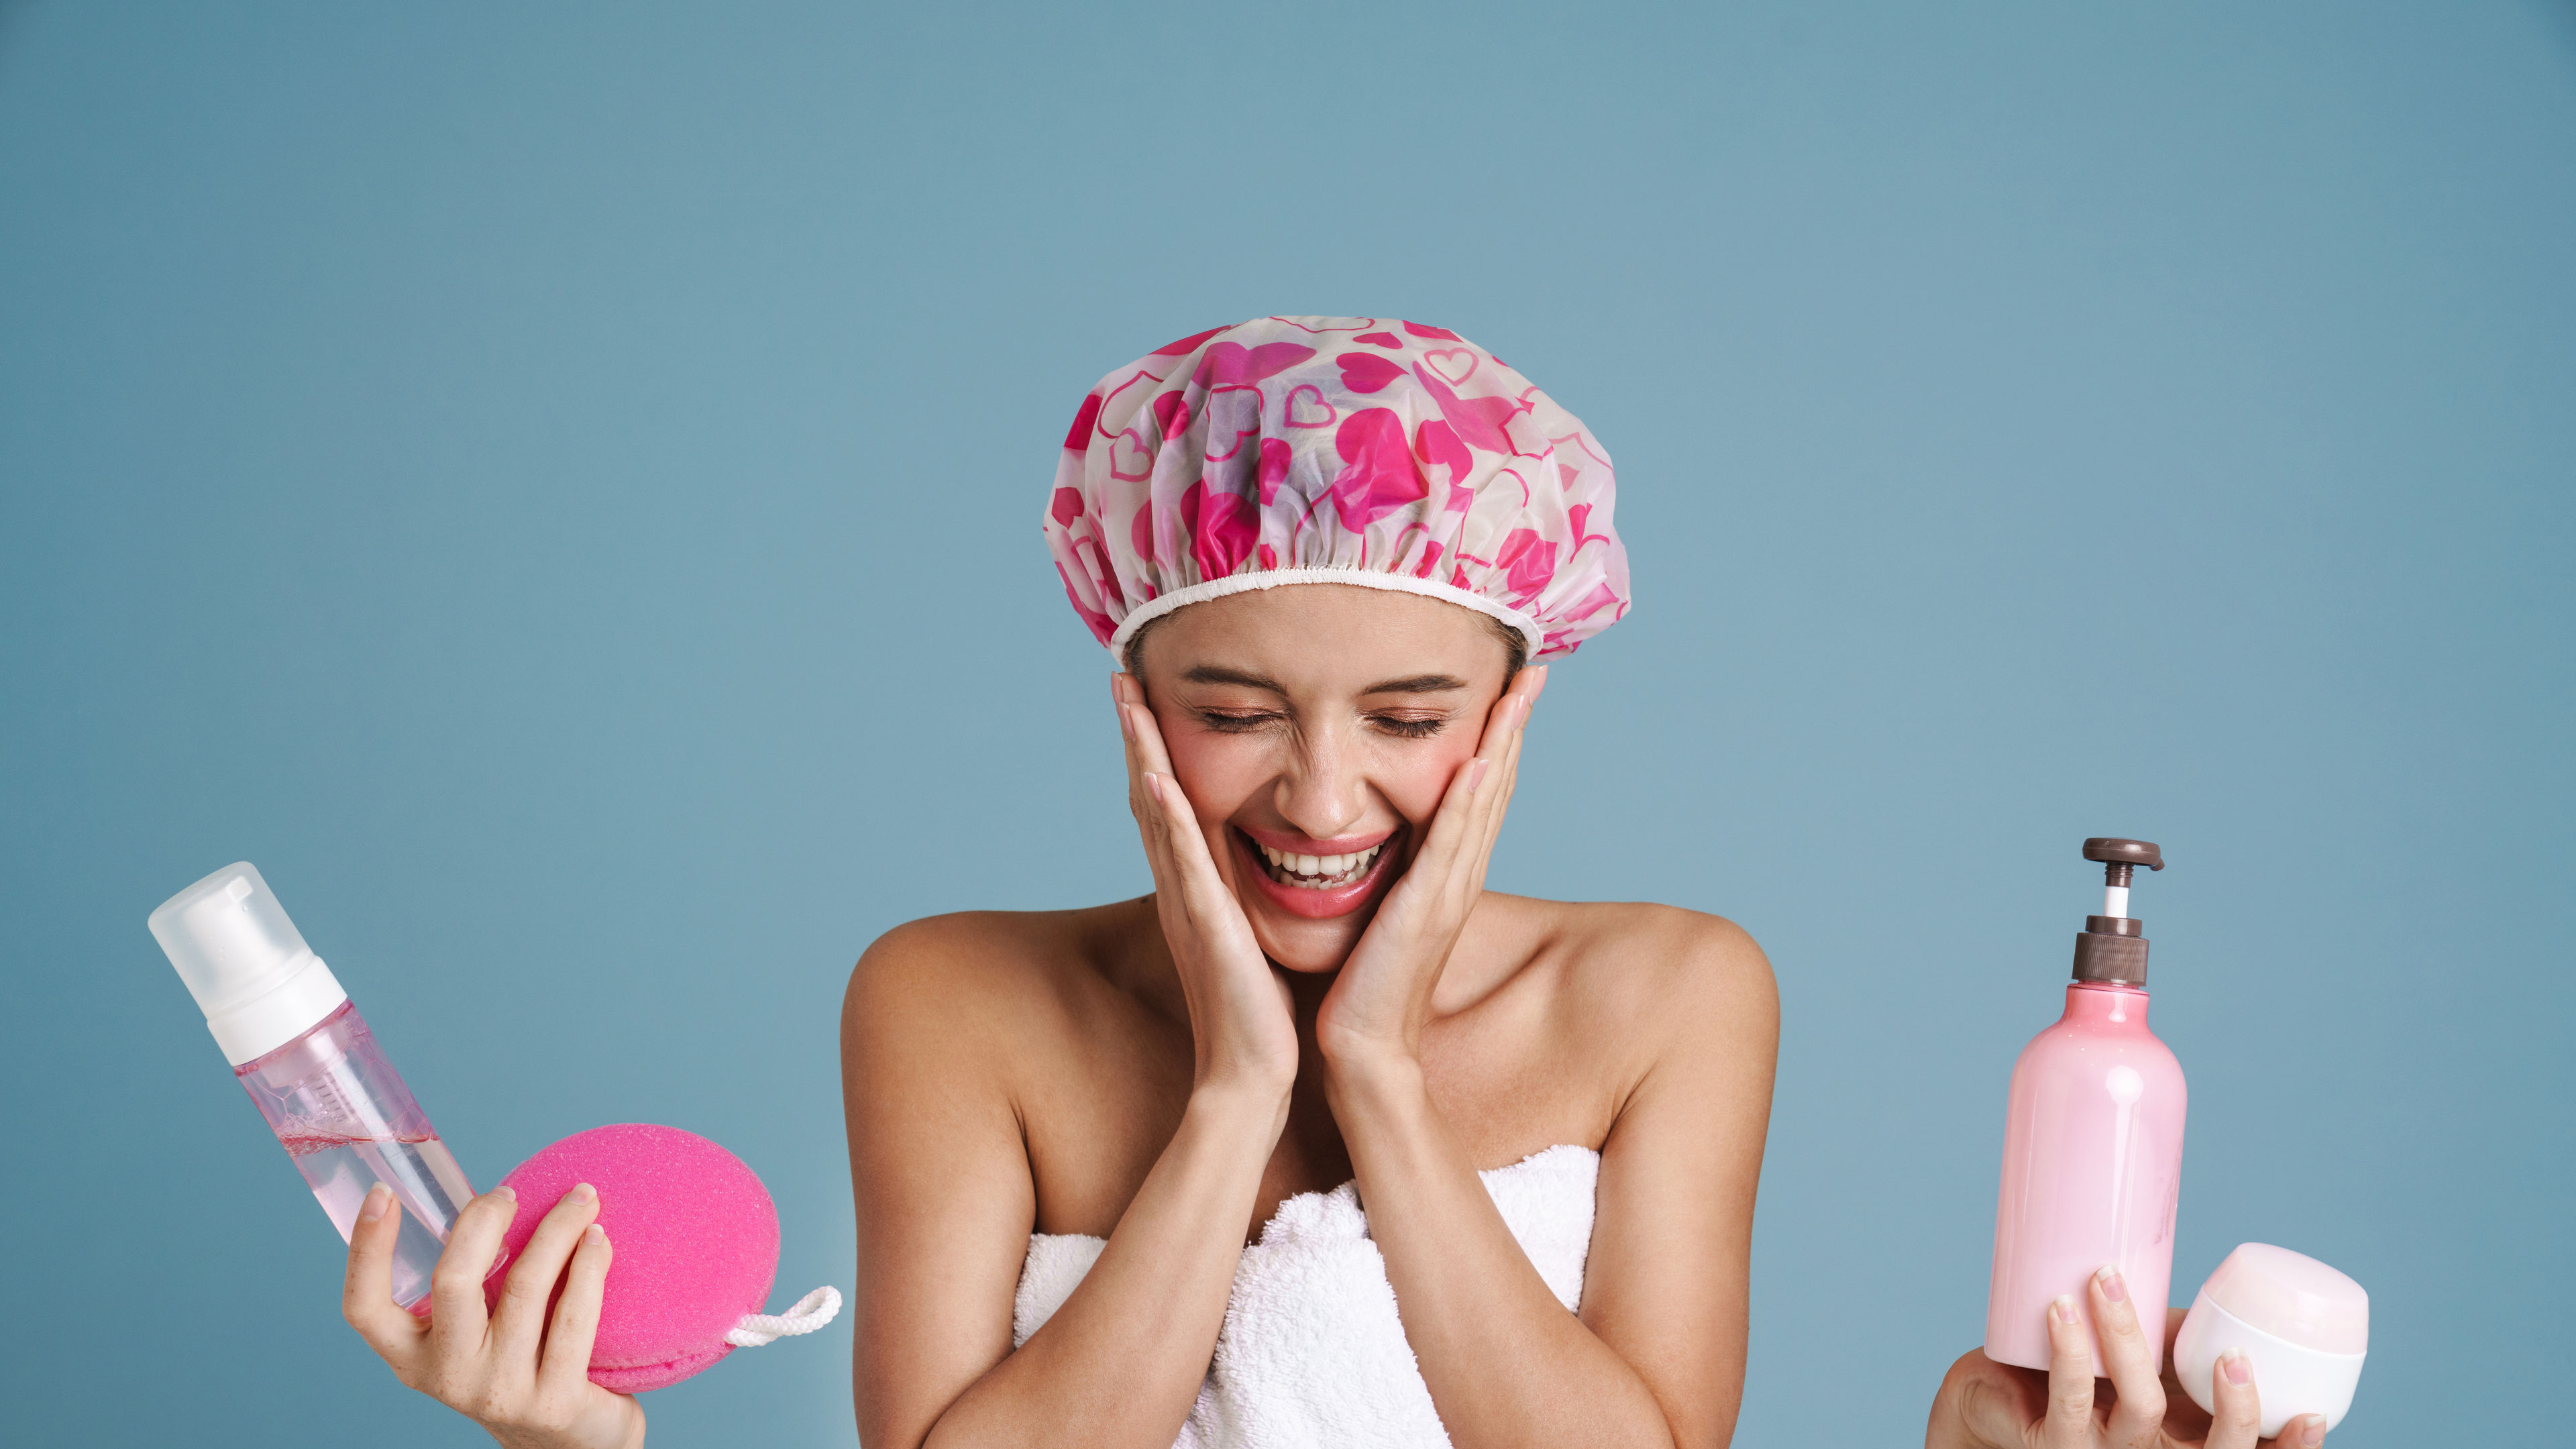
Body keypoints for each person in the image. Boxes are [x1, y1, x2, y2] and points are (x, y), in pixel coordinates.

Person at [333, 316, 2326, 1449]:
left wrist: (1369, 1074)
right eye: (1232, 706)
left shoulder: (1666, 998)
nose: (1324, 790)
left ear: (1516, 701)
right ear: (1130, 690)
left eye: (1407, 711)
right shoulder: (953, 1001)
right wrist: (1231, 1094)